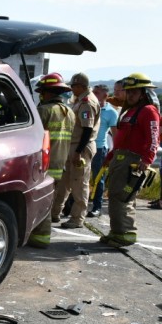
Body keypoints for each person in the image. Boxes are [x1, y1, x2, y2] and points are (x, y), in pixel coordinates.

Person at [101, 73, 160, 248]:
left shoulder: (148, 111)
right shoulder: (130, 111)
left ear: (143, 93)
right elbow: (121, 138)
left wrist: (147, 160)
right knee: (115, 197)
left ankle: (126, 233)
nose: (131, 95)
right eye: (129, 91)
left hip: (132, 163)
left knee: (123, 197)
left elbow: (154, 138)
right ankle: (117, 231)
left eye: (135, 91)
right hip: (120, 160)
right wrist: (110, 157)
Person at [27, 73, 76, 248]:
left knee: (41, 199)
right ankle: (41, 233)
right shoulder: (69, 112)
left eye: (42, 92)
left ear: (48, 92)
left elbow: (33, 138)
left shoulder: (44, 110)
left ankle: (40, 235)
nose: (41, 95)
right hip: (60, 163)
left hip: (44, 164)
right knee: (50, 198)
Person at [51, 72, 100, 228]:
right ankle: (54, 213)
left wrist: (78, 152)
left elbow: (87, 128)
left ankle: (77, 218)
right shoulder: (79, 100)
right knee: (63, 183)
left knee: (79, 184)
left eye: (74, 86)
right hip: (73, 145)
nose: (72, 89)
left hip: (81, 146)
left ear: (81, 86)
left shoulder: (87, 102)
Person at [88, 84, 119, 217]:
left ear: (105, 96)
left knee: (98, 178)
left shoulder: (111, 112)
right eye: (93, 92)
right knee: (80, 177)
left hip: (100, 149)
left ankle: (97, 207)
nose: (93, 94)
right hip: (86, 147)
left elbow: (115, 134)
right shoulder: (89, 107)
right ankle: (72, 205)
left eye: (97, 93)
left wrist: (114, 152)